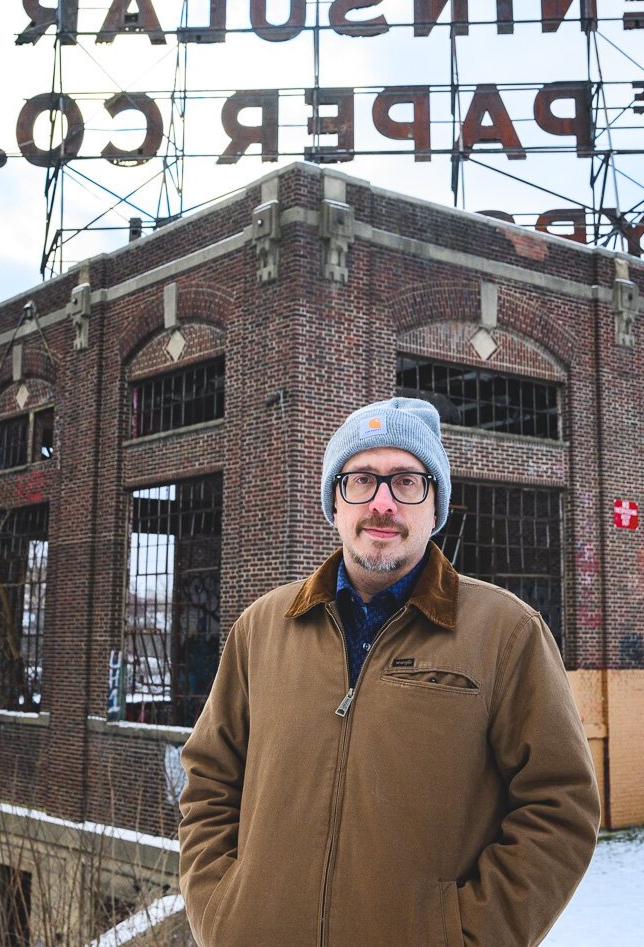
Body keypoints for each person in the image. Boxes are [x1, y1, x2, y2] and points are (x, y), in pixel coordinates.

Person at [179, 397, 599, 947]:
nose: (382, 503)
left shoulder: (506, 633)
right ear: (335, 502)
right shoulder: (262, 628)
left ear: (435, 506)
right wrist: (222, 912)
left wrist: (466, 936)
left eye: (406, 482)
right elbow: (209, 780)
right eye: (361, 480)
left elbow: (559, 805)